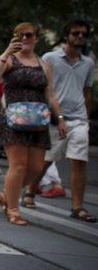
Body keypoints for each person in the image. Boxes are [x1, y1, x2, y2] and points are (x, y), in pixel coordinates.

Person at [0, 22, 67, 226]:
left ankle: (6, 195)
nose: (24, 39)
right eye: (20, 35)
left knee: (37, 167)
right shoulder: (10, 59)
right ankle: (13, 209)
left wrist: (60, 119)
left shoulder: (43, 64)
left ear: (36, 38)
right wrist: (6, 52)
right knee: (19, 165)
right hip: (13, 118)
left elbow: (51, 93)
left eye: (29, 35)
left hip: (38, 119)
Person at [36, 20, 95, 222]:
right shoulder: (50, 58)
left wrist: (86, 116)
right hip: (53, 117)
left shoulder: (88, 63)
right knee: (47, 160)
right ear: (67, 35)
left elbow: (87, 91)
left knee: (79, 161)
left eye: (84, 34)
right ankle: (29, 190)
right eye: (76, 33)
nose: (80, 37)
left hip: (78, 119)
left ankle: (77, 206)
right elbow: (44, 88)